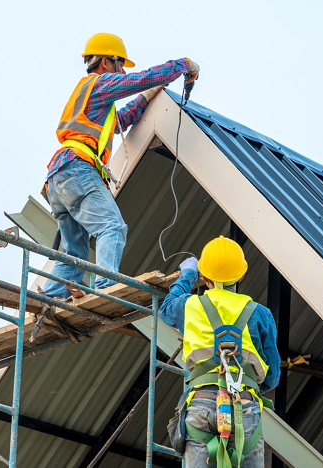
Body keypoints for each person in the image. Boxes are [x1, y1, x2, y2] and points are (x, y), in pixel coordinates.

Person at [42, 32, 200, 299]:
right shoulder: (100, 84)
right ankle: (105, 286)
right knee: (112, 227)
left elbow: (121, 121)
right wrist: (182, 65)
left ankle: (49, 297)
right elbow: (139, 80)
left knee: (75, 251)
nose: (121, 71)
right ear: (106, 62)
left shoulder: (90, 101)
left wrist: (147, 97)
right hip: (78, 169)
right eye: (119, 65)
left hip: (60, 176)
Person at [159, 236, 280, 468]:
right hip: (245, 408)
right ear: (241, 276)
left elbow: (166, 308)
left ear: (204, 278)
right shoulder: (260, 314)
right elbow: (272, 377)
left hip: (201, 406)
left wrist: (187, 275)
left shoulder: (190, 306)